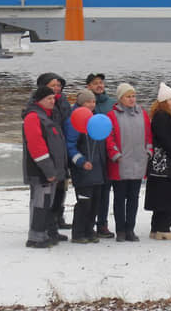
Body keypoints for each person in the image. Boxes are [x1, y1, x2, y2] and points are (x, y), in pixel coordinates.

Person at [22, 86, 68, 248]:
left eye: (53, 98)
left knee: (47, 203)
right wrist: (48, 170)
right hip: (40, 170)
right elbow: (36, 146)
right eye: (49, 98)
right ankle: (35, 237)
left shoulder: (49, 117)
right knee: (40, 203)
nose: (52, 101)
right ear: (39, 100)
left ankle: (45, 233)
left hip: (52, 170)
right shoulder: (33, 117)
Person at [106, 83, 153, 242]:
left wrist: (148, 151)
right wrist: (115, 155)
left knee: (134, 197)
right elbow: (109, 137)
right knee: (119, 198)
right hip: (120, 163)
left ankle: (130, 229)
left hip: (139, 161)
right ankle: (120, 230)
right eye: (128, 96)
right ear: (120, 98)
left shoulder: (142, 113)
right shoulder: (112, 115)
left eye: (133, 96)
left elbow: (148, 135)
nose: (132, 99)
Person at [65, 89, 107, 243]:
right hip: (82, 169)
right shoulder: (74, 119)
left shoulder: (95, 119)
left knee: (96, 201)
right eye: (88, 102)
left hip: (97, 168)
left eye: (94, 102)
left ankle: (90, 230)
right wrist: (81, 162)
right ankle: (78, 233)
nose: (92, 104)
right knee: (84, 202)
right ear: (81, 103)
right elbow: (70, 146)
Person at [144, 83, 171, 240]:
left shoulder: (163, 115)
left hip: (160, 163)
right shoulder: (163, 116)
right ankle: (163, 228)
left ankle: (156, 228)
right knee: (168, 195)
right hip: (165, 162)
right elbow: (167, 141)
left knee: (160, 196)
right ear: (163, 101)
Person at [36, 72, 72, 233]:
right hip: (50, 151)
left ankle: (59, 217)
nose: (57, 88)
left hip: (63, 148)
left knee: (62, 186)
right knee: (50, 189)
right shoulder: (39, 105)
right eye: (53, 86)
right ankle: (48, 223)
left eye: (59, 85)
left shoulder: (63, 101)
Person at [86, 72, 116, 238]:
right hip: (90, 154)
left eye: (101, 83)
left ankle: (102, 224)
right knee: (90, 191)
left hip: (107, 153)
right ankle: (87, 224)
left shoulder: (111, 103)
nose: (99, 85)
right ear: (88, 86)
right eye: (95, 83)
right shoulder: (83, 105)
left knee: (105, 190)